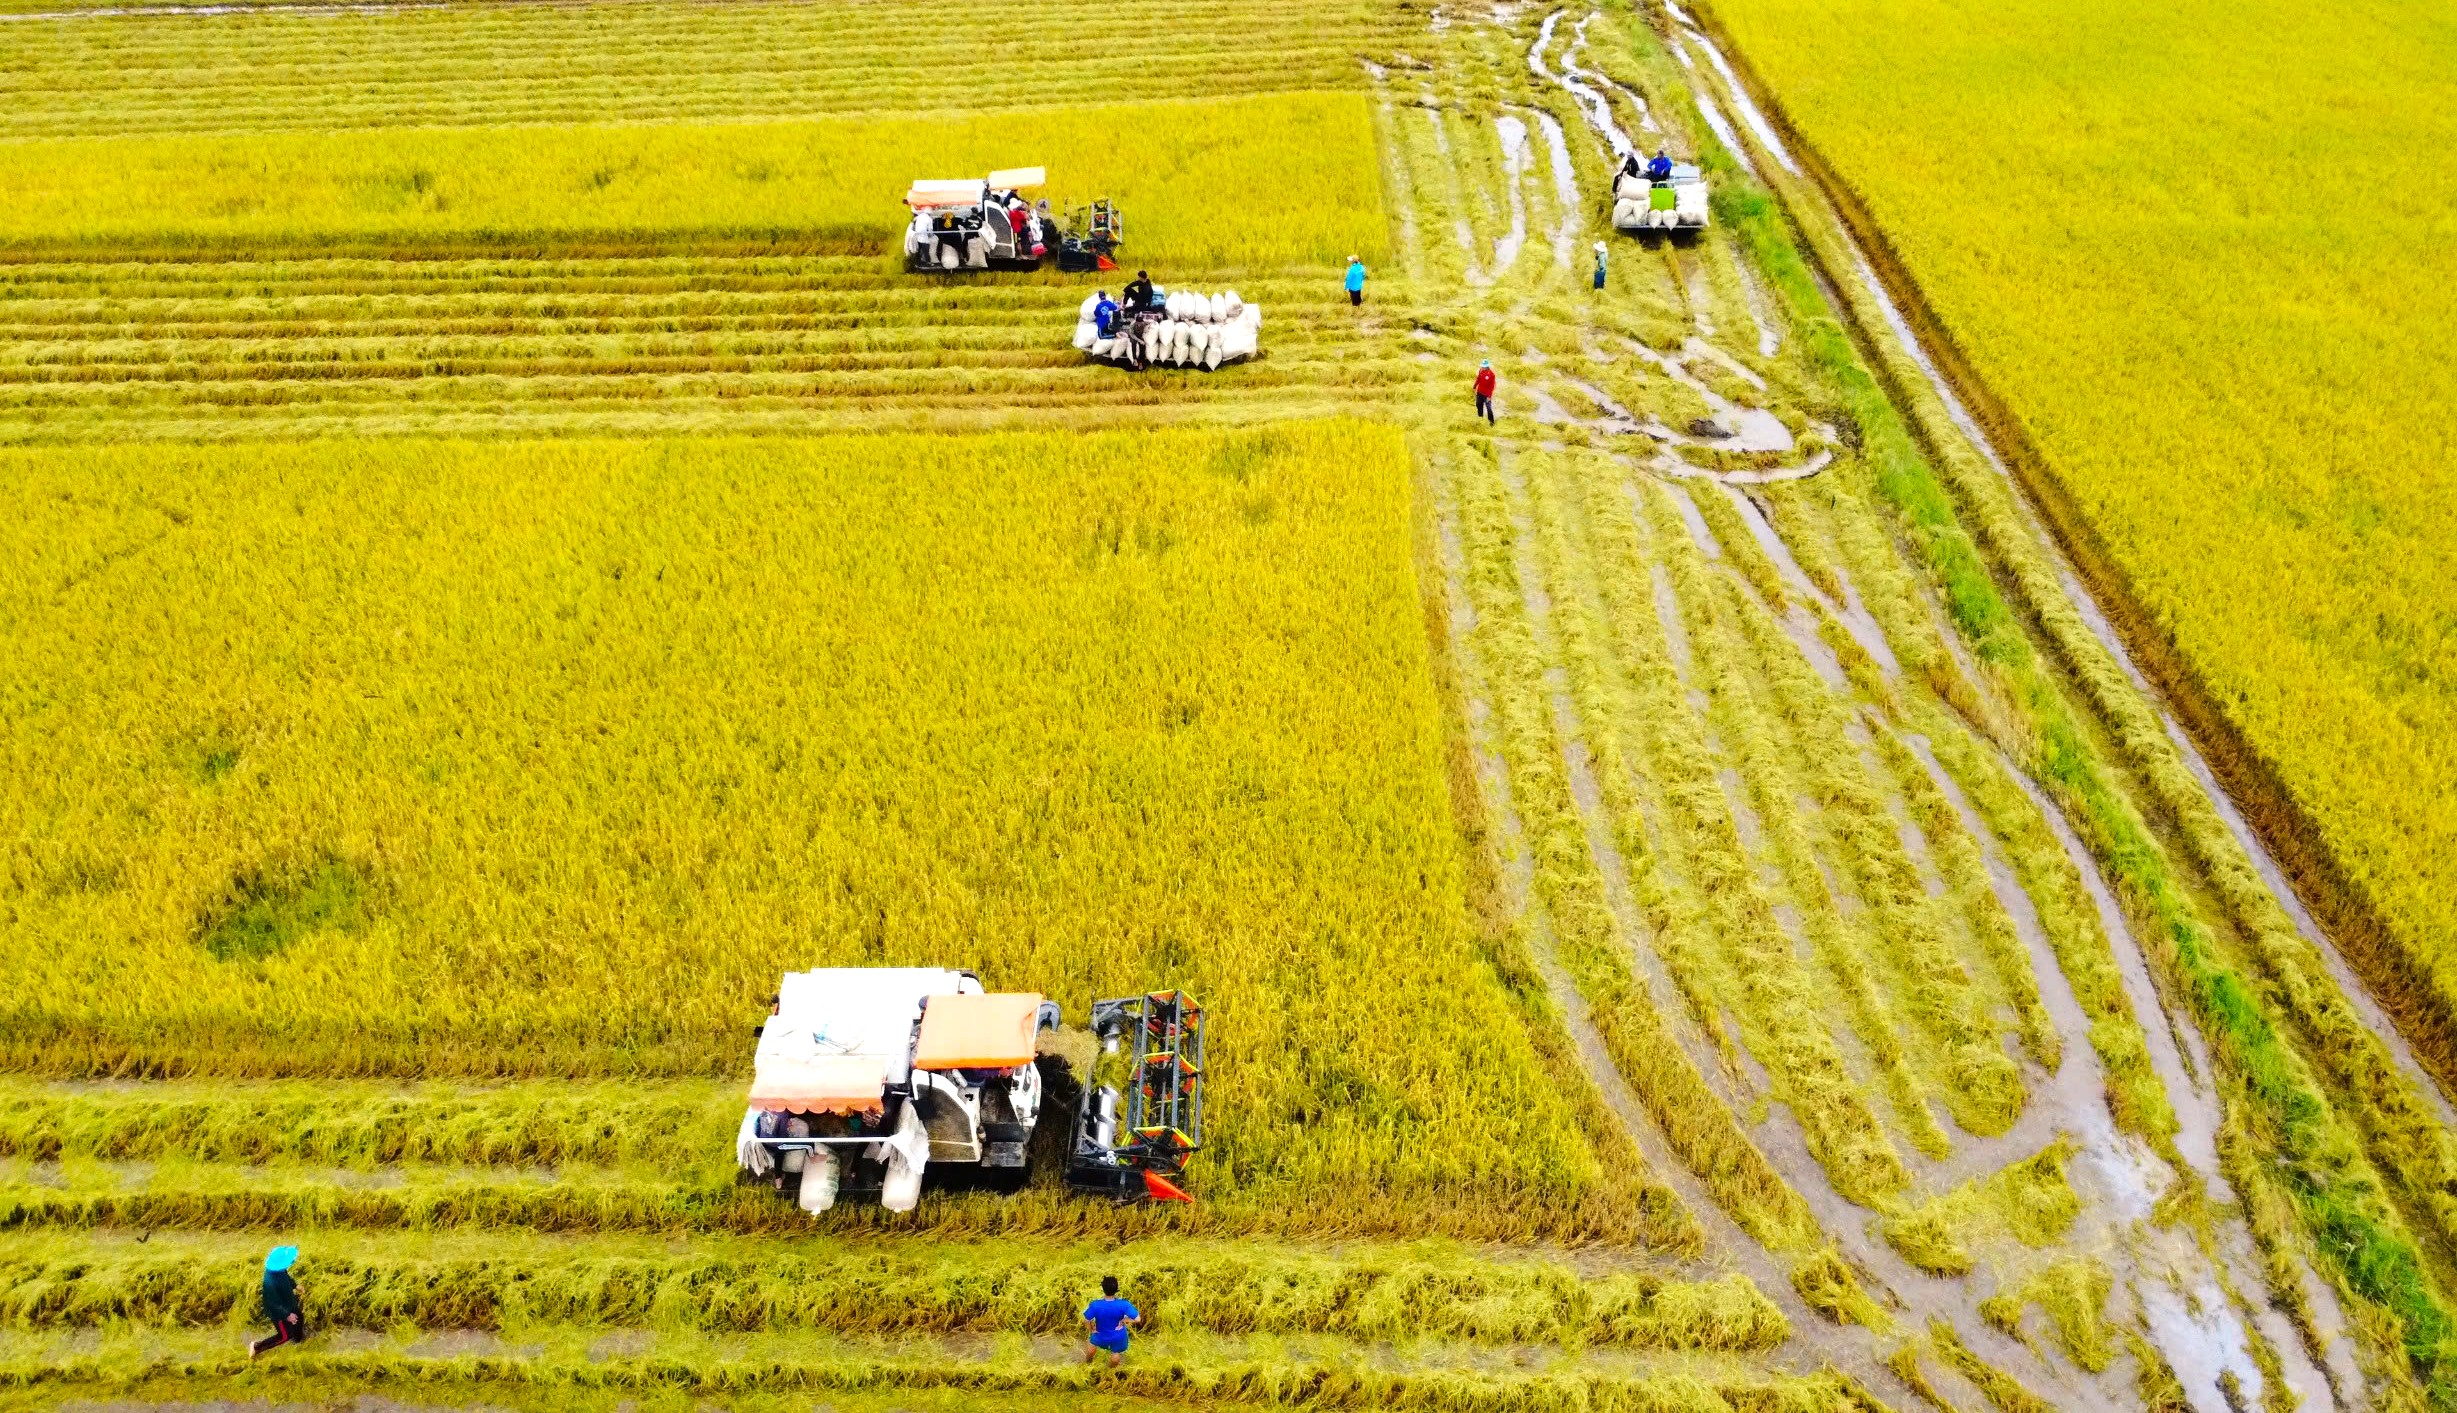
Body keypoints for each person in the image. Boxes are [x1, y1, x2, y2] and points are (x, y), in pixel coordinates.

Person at [248, 1246, 305, 1359]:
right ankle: (256, 1347)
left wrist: (295, 1285)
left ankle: (298, 1342)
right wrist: (287, 1315)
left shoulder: (280, 1269)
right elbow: (272, 1304)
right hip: (278, 1313)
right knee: (284, 1336)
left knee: (299, 1318)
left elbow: (286, 1277)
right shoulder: (270, 1282)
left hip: (289, 1303)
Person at [1081, 1275, 1141, 1367]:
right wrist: (1125, 1319)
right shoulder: (1124, 1304)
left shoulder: (1095, 1305)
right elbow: (1137, 1319)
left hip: (1100, 1334)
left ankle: (1088, 1364)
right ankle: (1109, 1371)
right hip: (1118, 1336)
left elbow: (1086, 1319)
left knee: (1092, 1347)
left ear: (1103, 1288)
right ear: (1116, 1289)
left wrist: (1091, 1329)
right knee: (1115, 1354)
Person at [1474, 360, 1497, 424]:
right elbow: (1478, 379)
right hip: (1479, 392)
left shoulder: (1492, 375)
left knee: (1488, 408)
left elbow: (1492, 386)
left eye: (1483, 367)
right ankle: (1480, 419)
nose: (1482, 368)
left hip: (1487, 395)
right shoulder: (1481, 371)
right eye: (1482, 366)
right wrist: (1474, 386)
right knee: (1478, 405)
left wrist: (1489, 396)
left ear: (1487, 367)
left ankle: (1491, 422)